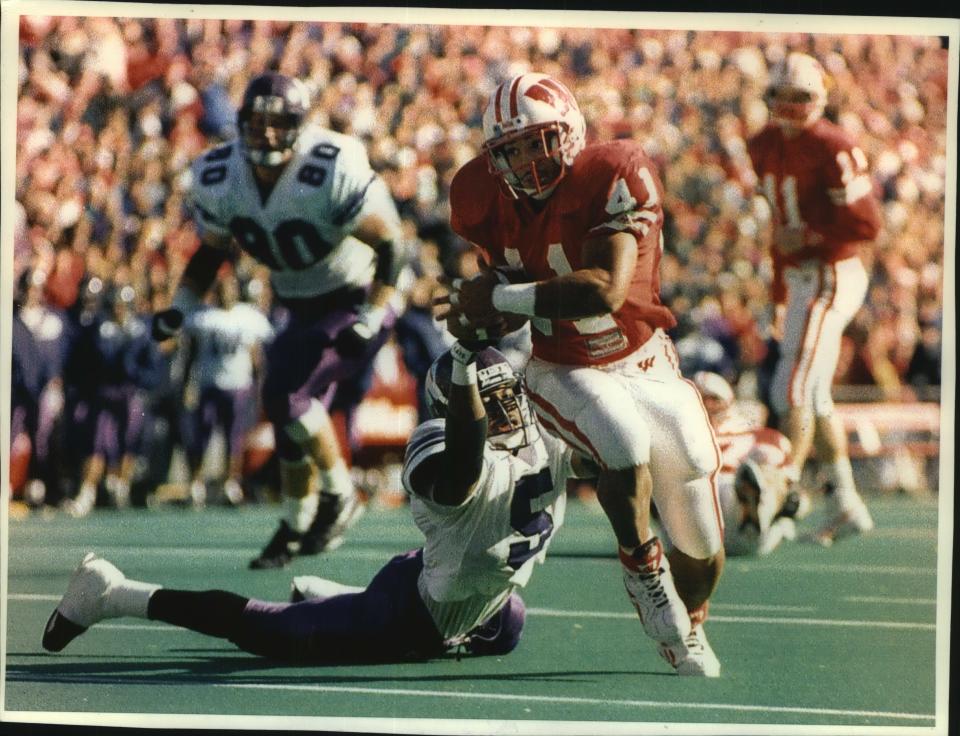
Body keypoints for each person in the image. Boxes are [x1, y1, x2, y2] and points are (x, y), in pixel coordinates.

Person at [42, 344, 590, 663]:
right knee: (268, 632)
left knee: (509, 627)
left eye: (506, 399)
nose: (507, 415)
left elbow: (606, 457)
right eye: (485, 404)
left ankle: (329, 595)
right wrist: (466, 365)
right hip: (408, 613)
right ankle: (112, 592)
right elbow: (467, 467)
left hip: (475, 597)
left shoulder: (544, 438)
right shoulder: (436, 449)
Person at [440, 73, 723, 676]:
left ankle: (689, 617)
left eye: (537, 141)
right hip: (561, 366)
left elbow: (604, 291)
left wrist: (497, 300)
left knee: (702, 545)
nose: (525, 159)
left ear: (568, 133)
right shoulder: (480, 197)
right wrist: (475, 311)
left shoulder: (612, 173)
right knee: (623, 442)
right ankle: (642, 569)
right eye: (510, 149)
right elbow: (497, 282)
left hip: (647, 361)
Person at [151, 73, 409, 568]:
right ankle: (295, 522)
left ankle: (338, 495)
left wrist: (375, 312)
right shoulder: (220, 174)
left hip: (356, 294)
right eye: (257, 122)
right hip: (298, 302)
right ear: (241, 123)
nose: (267, 133)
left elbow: (392, 243)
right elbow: (211, 254)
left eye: (280, 122)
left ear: (299, 126)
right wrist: (179, 309)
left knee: (290, 397)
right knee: (282, 404)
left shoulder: (328, 165)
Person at [747, 52, 882, 545]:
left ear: (819, 99)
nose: (789, 105)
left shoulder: (833, 146)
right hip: (803, 276)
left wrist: (806, 238)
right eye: (781, 95)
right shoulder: (760, 144)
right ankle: (845, 504)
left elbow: (867, 224)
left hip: (834, 270)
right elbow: (779, 230)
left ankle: (782, 498)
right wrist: (780, 293)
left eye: (800, 96)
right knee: (813, 393)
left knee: (791, 387)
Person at [182, 270, 274, 507]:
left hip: (238, 386)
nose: (226, 293)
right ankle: (196, 483)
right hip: (209, 384)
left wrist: (260, 387)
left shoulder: (248, 317)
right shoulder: (203, 317)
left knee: (234, 437)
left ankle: (230, 483)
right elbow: (190, 355)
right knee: (202, 436)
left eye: (230, 289)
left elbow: (256, 357)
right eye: (222, 289)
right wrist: (187, 385)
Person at [693, 371, 809, 556]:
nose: (707, 405)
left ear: (728, 401)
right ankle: (767, 520)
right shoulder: (673, 438)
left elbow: (793, 490)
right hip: (693, 513)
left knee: (769, 467)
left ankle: (756, 512)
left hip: (732, 503)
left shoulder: (759, 436)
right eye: (699, 398)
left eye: (713, 398)